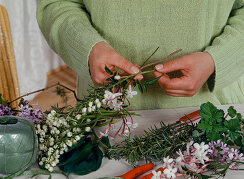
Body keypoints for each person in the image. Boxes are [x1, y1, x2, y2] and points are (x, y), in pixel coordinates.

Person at [37, 0, 244, 110]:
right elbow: (57, 4)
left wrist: (219, 59)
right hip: (105, 118)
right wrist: (88, 47)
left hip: (216, 114)